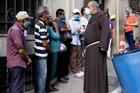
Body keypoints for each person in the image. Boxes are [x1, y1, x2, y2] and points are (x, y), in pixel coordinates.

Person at [84, 1, 110, 93]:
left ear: (93, 7)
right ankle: (91, 88)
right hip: (90, 48)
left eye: (88, 7)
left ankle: (98, 90)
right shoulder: (93, 17)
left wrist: (103, 45)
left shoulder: (102, 15)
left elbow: (106, 30)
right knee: (91, 70)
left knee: (97, 70)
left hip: (97, 48)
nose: (87, 9)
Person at [7, 11, 32, 93]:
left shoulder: (18, 30)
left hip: (16, 63)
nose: (29, 22)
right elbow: (21, 50)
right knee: (16, 88)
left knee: (15, 86)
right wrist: (27, 59)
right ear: (22, 20)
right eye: (27, 20)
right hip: (16, 64)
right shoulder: (16, 30)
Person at [34, 6, 50, 93]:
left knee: (38, 75)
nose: (48, 15)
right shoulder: (42, 25)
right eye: (47, 13)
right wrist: (49, 49)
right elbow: (44, 43)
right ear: (43, 14)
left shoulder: (38, 23)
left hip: (38, 53)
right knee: (42, 76)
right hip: (42, 54)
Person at [54, 9, 71, 83]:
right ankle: (59, 77)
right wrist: (64, 29)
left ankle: (64, 74)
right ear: (59, 14)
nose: (64, 16)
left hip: (65, 42)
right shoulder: (55, 21)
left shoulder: (62, 21)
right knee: (60, 61)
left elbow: (68, 28)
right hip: (59, 43)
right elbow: (60, 30)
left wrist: (66, 22)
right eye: (63, 14)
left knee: (65, 60)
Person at [68, 9, 85, 77]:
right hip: (73, 41)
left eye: (78, 13)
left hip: (79, 41)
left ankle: (79, 70)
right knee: (73, 57)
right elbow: (72, 31)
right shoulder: (70, 21)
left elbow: (82, 30)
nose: (77, 15)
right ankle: (75, 71)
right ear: (73, 14)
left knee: (79, 56)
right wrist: (77, 30)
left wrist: (77, 30)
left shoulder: (81, 20)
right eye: (76, 13)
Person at [47, 16, 60, 92]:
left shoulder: (50, 28)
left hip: (55, 49)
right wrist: (56, 27)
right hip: (53, 50)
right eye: (51, 19)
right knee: (52, 68)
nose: (52, 21)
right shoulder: (49, 28)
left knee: (53, 68)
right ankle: (50, 85)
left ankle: (50, 84)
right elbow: (57, 36)